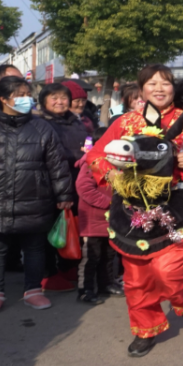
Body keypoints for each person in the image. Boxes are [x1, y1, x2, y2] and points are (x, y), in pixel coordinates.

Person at [86, 64, 183, 357]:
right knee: (137, 277)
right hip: (133, 210)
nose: (159, 88)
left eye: (165, 83)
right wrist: (111, 174)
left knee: (168, 270)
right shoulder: (125, 122)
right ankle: (146, 330)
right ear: (141, 89)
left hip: (178, 209)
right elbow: (95, 155)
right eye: (151, 83)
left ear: (173, 88)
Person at [0, 76, 74, 313]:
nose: (25, 99)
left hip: (36, 198)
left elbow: (57, 165)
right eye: (19, 94)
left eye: (27, 93)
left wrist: (64, 195)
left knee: (34, 248)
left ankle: (33, 290)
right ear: (3, 99)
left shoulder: (42, 127)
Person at [39, 82, 91, 290]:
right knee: (52, 229)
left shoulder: (76, 121)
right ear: (44, 101)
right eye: (54, 98)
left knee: (71, 225)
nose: (60, 102)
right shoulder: (40, 122)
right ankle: (49, 274)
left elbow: (86, 143)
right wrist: (79, 156)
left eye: (63, 98)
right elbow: (50, 154)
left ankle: (68, 265)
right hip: (51, 183)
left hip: (76, 180)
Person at [75, 128, 123, 304]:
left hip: (111, 221)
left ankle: (106, 285)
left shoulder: (119, 164)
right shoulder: (91, 164)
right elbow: (84, 189)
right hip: (93, 221)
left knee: (109, 255)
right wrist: (110, 204)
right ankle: (85, 290)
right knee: (91, 257)